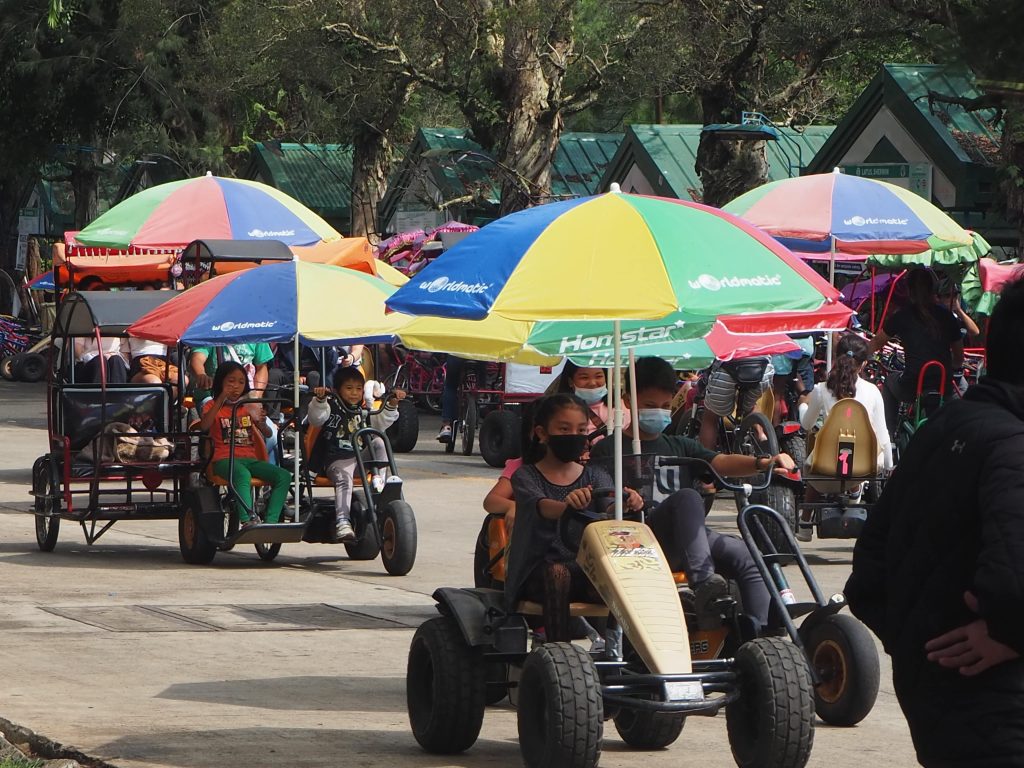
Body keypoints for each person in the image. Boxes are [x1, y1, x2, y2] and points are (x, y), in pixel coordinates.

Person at [845, 277, 1024, 767]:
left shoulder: (938, 431)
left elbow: (867, 575)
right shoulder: (1011, 445)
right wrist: (1007, 632)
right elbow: (1012, 588)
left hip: (935, 705)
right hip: (1000, 712)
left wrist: (915, 640)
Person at [591, 356, 796, 631]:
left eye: (665, 406)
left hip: (688, 541)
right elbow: (601, 499)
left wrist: (765, 462)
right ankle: (704, 587)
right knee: (687, 497)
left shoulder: (680, 445)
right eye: (650, 406)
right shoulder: (608, 449)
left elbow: (720, 462)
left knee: (746, 554)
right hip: (637, 540)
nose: (659, 413)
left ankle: (760, 635)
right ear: (628, 402)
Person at [505, 394, 644, 642]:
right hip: (539, 570)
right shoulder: (526, 476)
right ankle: (558, 649)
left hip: (585, 568)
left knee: (622, 570)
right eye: (564, 429)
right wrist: (568, 505)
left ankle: (619, 646)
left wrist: (627, 502)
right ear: (542, 433)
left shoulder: (595, 475)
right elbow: (543, 507)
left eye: (581, 429)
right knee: (557, 573)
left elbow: (611, 506)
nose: (574, 435)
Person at [796, 334, 892, 541]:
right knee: (856, 446)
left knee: (817, 458)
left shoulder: (821, 389)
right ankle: (855, 495)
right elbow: (883, 434)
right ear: (864, 364)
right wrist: (888, 466)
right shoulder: (873, 391)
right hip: (864, 466)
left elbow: (806, 425)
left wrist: (803, 405)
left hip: (826, 466)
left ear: (836, 358)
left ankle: (804, 523)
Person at [308, 367, 404, 541]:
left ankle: (379, 481)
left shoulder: (365, 411)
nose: (354, 393)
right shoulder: (331, 407)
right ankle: (342, 521)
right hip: (337, 460)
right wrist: (320, 399)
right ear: (337, 390)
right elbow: (316, 418)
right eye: (349, 388)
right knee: (345, 478)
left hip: (361, 461)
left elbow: (381, 423)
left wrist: (392, 403)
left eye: (359, 389)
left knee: (379, 441)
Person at [869, 269, 964, 433]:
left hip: (912, 383)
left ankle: (888, 435)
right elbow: (959, 357)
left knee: (889, 382)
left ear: (909, 290)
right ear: (934, 289)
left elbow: (877, 341)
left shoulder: (901, 316)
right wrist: (953, 366)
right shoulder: (947, 316)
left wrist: (864, 356)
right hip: (943, 383)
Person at [198, 361, 291, 528]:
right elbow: (204, 426)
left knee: (283, 476)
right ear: (221, 382)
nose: (236, 386)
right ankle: (247, 519)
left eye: (241, 382)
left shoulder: (247, 406)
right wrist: (221, 398)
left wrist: (261, 423)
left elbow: (268, 434)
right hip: (223, 459)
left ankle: (271, 522)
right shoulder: (211, 405)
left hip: (250, 458)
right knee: (242, 475)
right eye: (231, 381)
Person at [697, 356, 774, 450]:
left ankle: (707, 459)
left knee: (710, 417)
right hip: (763, 369)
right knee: (750, 406)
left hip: (727, 368)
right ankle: (762, 437)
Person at [555, 362, 629, 444]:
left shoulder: (622, 406)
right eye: (584, 378)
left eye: (599, 376)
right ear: (570, 381)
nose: (592, 383)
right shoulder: (560, 412)